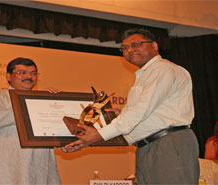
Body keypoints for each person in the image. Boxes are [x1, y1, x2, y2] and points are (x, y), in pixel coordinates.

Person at [62, 28, 200, 184]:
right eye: (125, 48)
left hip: (168, 143)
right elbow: (146, 114)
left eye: (136, 44)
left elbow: (141, 110)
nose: (129, 50)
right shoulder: (145, 75)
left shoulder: (163, 69)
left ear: (154, 46)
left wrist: (99, 135)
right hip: (147, 147)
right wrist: (114, 121)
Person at [0, 57, 61, 184]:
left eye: (33, 73)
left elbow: (55, 130)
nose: (29, 76)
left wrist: (66, 142)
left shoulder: (44, 100)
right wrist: (34, 100)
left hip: (39, 168)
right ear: (8, 76)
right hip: (4, 170)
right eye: (22, 73)